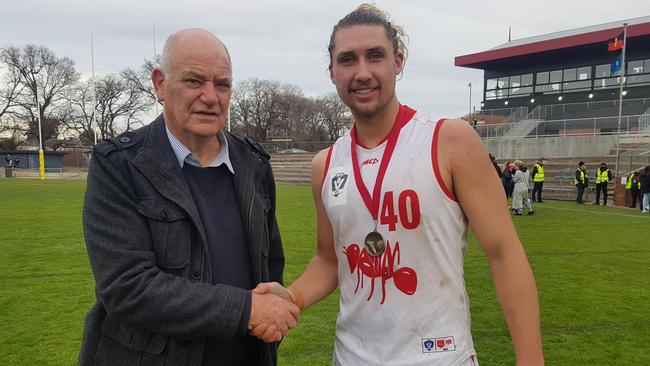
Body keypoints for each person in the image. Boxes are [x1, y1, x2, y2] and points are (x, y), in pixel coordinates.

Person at [252, 5, 543, 365]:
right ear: (331, 72)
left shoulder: (449, 140)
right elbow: (330, 259)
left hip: (440, 358)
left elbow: (504, 253)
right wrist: (290, 298)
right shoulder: (325, 165)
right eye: (347, 60)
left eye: (375, 56)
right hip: (352, 358)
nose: (362, 72)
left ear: (398, 62)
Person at [78, 28, 298, 366]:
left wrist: (272, 310)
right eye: (194, 81)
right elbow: (128, 287)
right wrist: (246, 309)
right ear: (160, 84)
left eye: (222, 84)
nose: (210, 97)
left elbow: (270, 262)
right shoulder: (119, 165)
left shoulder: (253, 164)